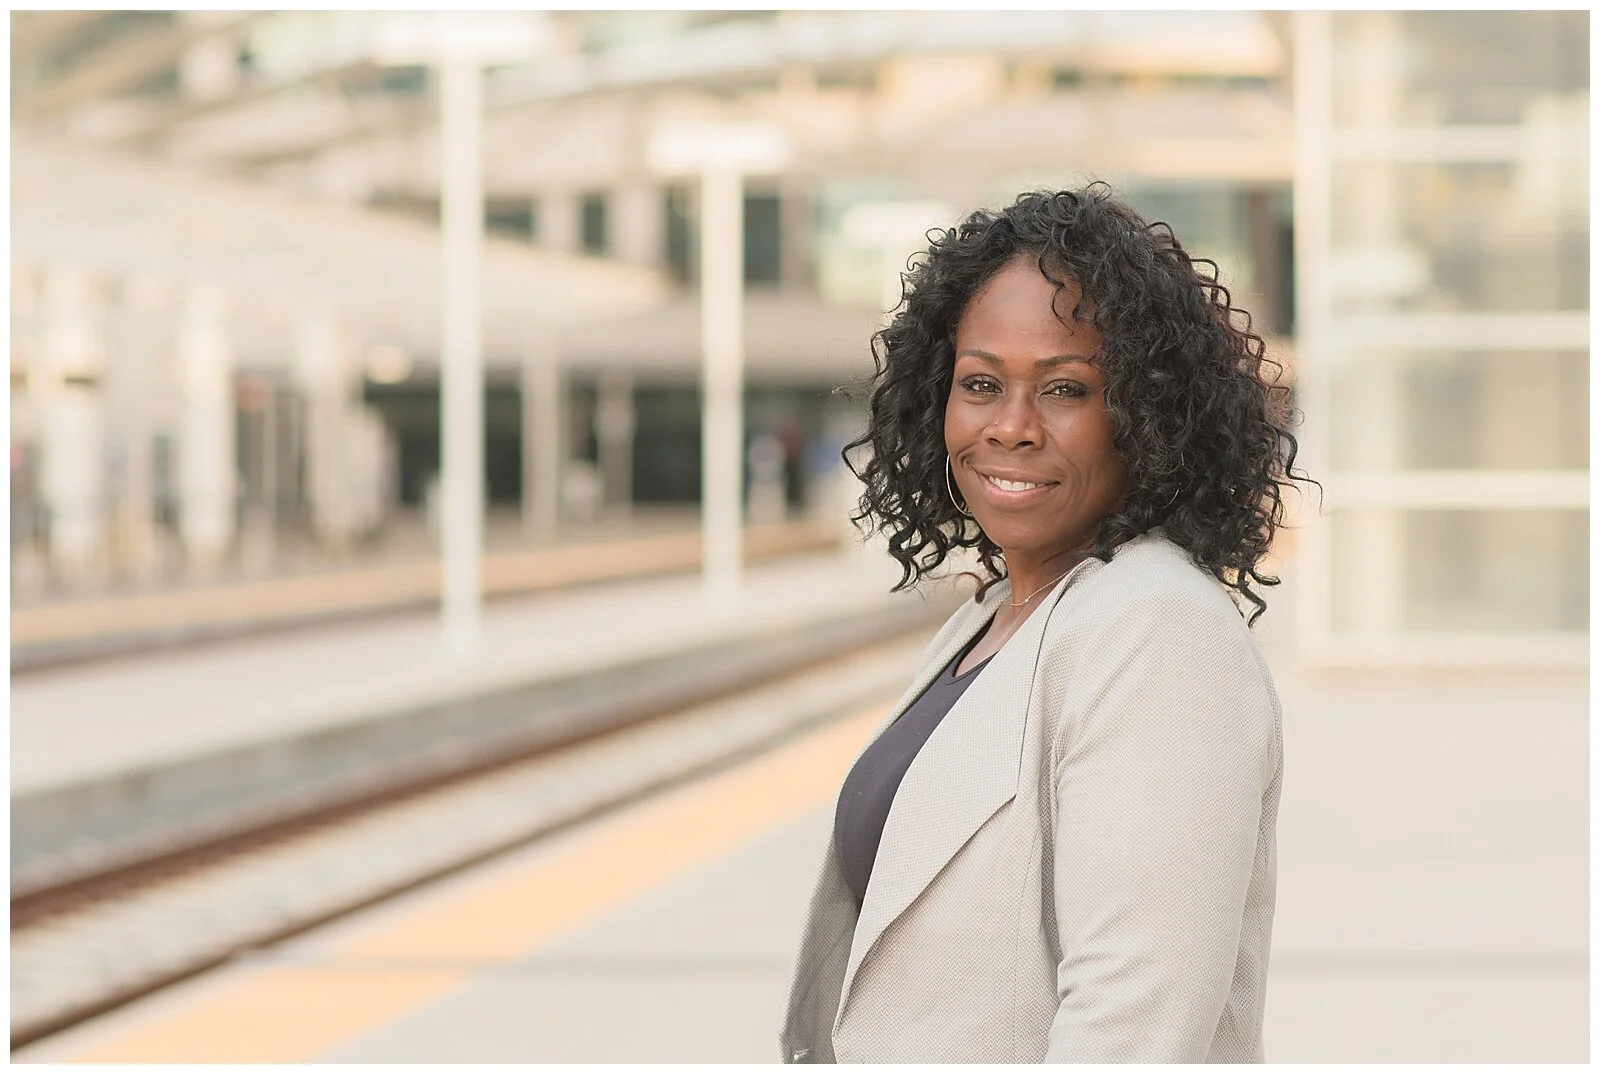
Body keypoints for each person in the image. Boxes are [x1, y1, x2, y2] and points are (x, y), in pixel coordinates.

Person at [780, 185, 1308, 1063]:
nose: (1012, 428)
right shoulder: (995, 618)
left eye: (1066, 389)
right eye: (980, 384)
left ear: (1148, 418)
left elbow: (1134, 1021)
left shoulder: (1157, 631)